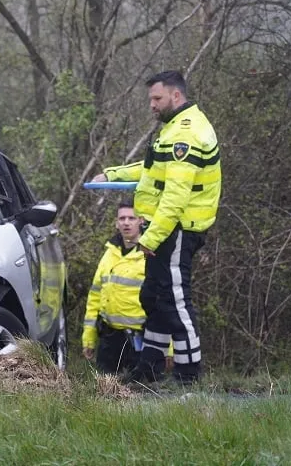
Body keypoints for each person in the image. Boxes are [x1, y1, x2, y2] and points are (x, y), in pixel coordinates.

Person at [91, 70, 221, 384]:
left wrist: (151, 238)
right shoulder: (174, 128)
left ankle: (189, 375)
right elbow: (151, 170)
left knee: (175, 299)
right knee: (153, 297)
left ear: (176, 96)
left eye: (157, 98)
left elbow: (176, 198)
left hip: (177, 229)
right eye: (151, 98)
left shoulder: (184, 135)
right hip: (165, 228)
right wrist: (112, 175)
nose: (152, 104)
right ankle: (148, 368)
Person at [82, 199, 162, 374]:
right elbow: (95, 296)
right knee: (105, 391)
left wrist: (168, 350)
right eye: (122, 218)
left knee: (141, 392)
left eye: (131, 218)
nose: (126, 223)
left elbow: (163, 303)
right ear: (116, 222)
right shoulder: (109, 253)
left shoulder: (150, 254)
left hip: (140, 340)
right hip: (109, 339)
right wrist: (89, 338)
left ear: (141, 220)